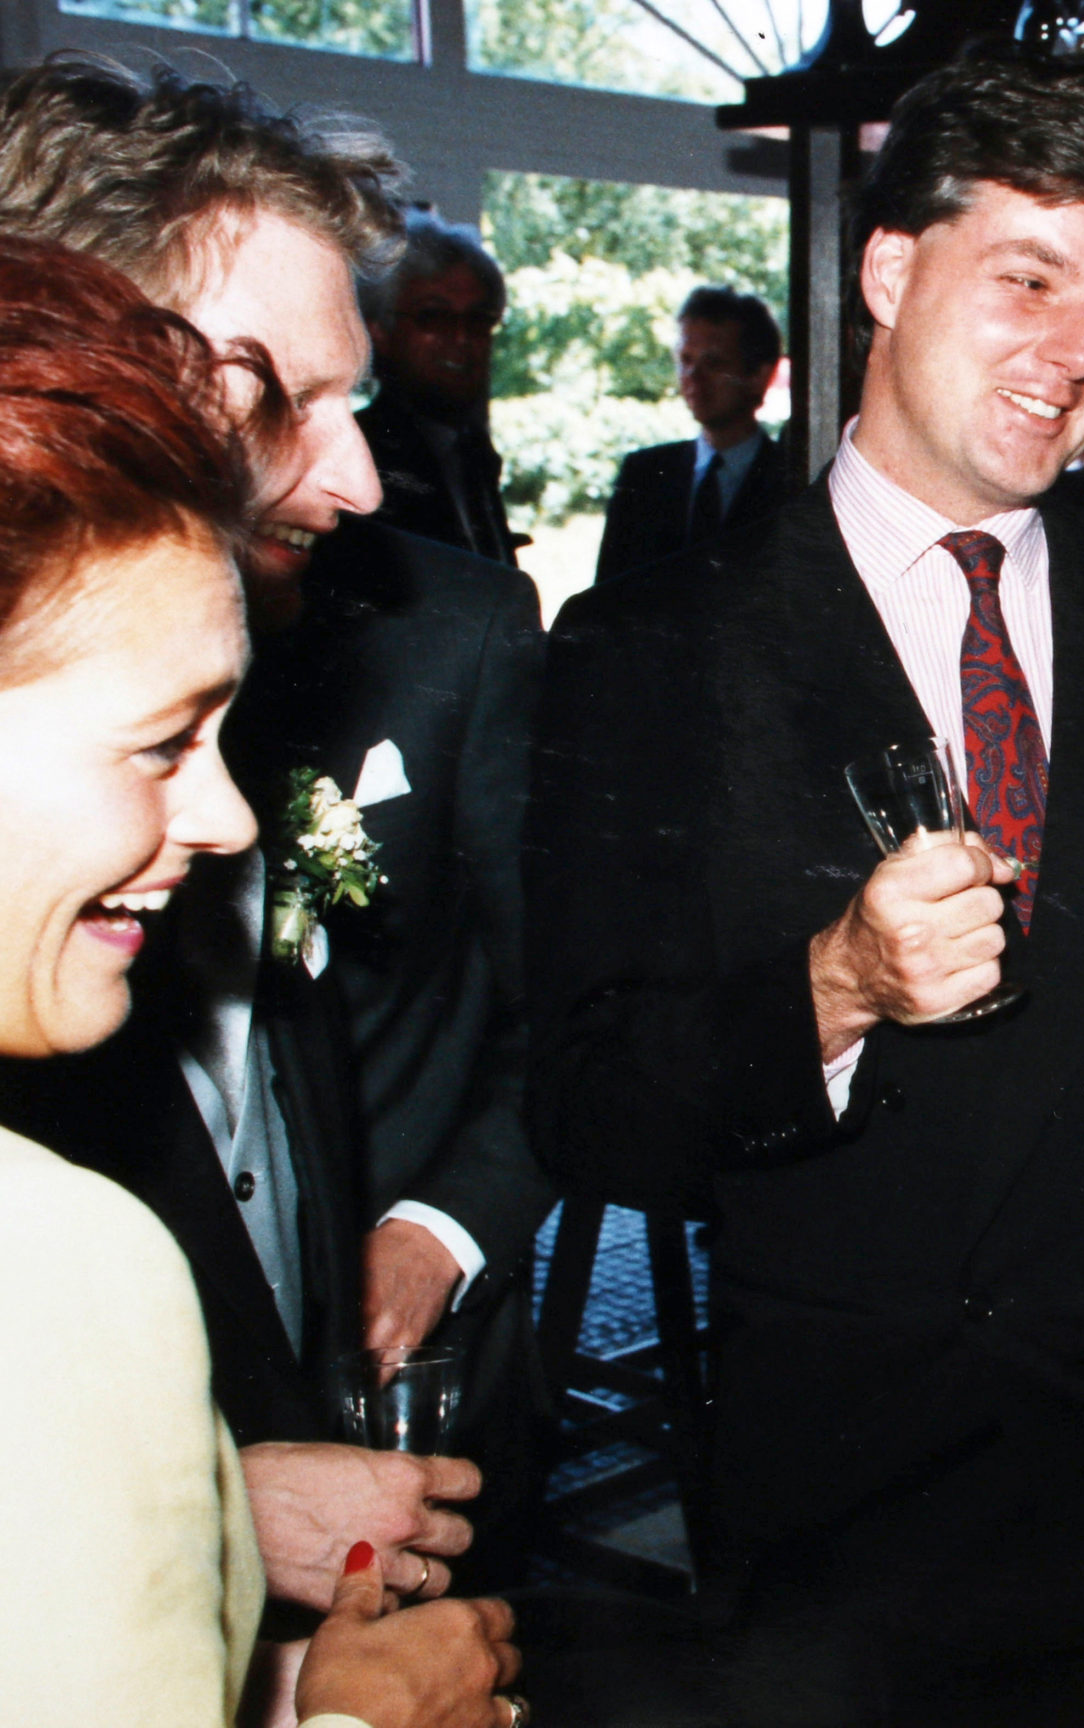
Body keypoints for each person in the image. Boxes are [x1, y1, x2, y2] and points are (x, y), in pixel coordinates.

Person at [528, 56, 1084, 1727]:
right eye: (1029, 282)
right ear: (890, 268)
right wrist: (833, 984)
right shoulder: (656, 645)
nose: (1079, 355)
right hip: (843, 1516)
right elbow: (590, 1107)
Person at [0, 54, 552, 1607]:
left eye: (351, 403)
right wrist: (214, 1509)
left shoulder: (303, 680)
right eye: (274, 399)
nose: (361, 478)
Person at [593, 284, 793, 583]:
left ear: (758, 375)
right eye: (686, 360)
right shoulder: (643, 474)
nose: (693, 377)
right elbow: (604, 597)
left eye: (713, 363)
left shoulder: (791, 478)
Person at [358, 208, 519, 567]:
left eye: (478, 320)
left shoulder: (470, 449)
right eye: (433, 316)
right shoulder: (361, 453)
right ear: (379, 332)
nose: (462, 338)